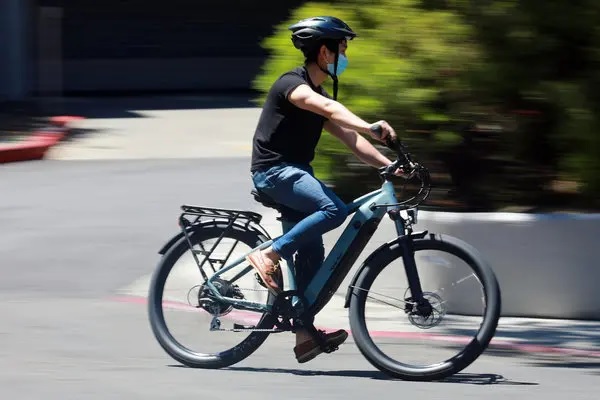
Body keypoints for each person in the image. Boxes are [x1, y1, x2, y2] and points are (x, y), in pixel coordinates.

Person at [246, 16, 400, 363]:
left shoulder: (315, 94)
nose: (345, 54)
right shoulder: (293, 85)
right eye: (342, 47)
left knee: (313, 256)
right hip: (274, 172)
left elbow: (351, 140)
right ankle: (269, 254)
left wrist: (389, 166)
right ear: (323, 51)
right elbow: (330, 109)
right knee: (334, 210)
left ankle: (303, 334)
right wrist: (371, 124)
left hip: (296, 174)